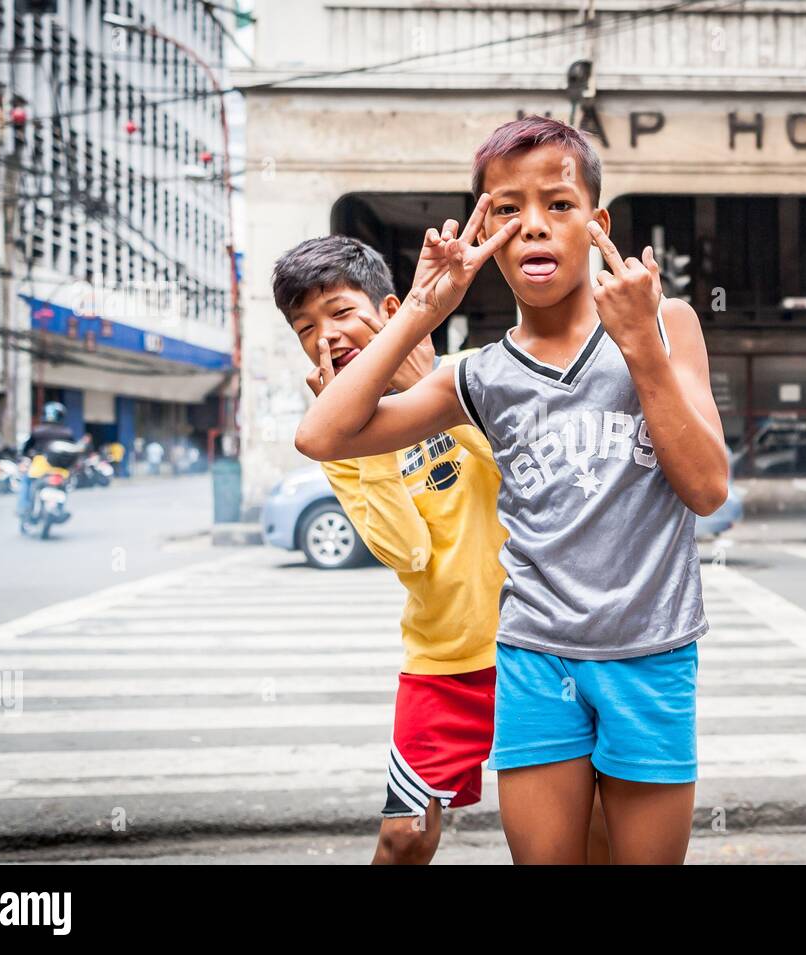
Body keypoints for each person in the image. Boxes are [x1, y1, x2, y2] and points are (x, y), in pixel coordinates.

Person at [295, 116, 727, 865]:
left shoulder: (667, 322)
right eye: (505, 209)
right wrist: (427, 308)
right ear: (482, 228)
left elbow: (707, 486)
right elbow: (322, 435)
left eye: (558, 205)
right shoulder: (479, 374)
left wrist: (640, 349)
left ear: (597, 224)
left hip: (651, 655)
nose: (533, 226)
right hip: (533, 660)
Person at [273, 234, 612, 864]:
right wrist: (365, 442)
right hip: (442, 664)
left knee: (583, 827)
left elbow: (535, 480)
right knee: (402, 837)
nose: (328, 337)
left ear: (392, 306)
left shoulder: (476, 374)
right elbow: (406, 553)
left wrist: (435, 390)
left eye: (341, 312)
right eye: (305, 328)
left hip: (538, 646)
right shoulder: (334, 432)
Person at [18, 402, 75, 518]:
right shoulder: (67, 433)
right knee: (64, 485)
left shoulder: (38, 431)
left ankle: (24, 508)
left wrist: (25, 458)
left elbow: (26, 449)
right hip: (60, 470)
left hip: (39, 468)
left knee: (26, 480)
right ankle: (60, 508)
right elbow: (73, 451)